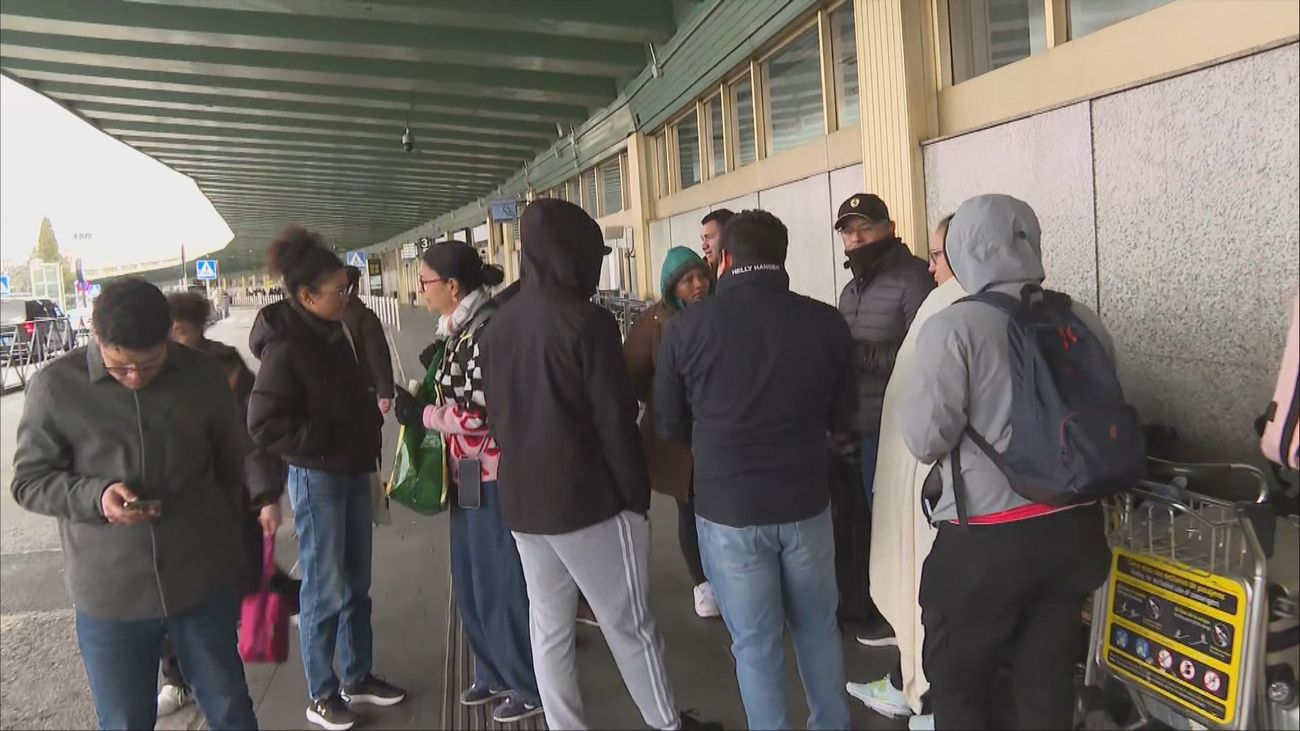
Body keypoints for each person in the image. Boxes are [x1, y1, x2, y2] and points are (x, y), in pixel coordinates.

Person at [479, 199, 717, 731]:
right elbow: (614, 421)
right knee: (630, 625)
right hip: (589, 503)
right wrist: (634, 500)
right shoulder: (587, 322)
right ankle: (666, 724)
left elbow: (497, 417)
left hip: (522, 503)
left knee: (550, 629)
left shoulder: (498, 325)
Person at [901, 195, 1113, 729]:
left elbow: (925, 439)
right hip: (1076, 532)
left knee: (961, 687)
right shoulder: (1081, 319)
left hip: (985, 546)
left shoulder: (954, 328)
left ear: (963, 249)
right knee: (1044, 687)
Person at [11, 278, 259, 731]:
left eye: (149, 364)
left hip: (199, 582)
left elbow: (229, 466)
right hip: (111, 595)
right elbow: (29, 481)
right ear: (96, 336)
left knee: (230, 709)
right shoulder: (55, 388)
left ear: (168, 334)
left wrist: (225, 545)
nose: (135, 377)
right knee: (125, 721)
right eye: (120, 366)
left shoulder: (202, 375)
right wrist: (97, 497)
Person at [656, 210, 857, 731]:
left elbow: (668, 420)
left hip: (728, 511)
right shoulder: (825, 321)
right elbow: (843, 417)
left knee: (755, 643)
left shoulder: (687, 327)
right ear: (782, 257)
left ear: (724, 259)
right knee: (818, 628)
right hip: (806, 503)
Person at [247, 226, 405, 731]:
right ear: (306, 295)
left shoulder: (332, 328)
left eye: (348, 288)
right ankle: (322, 692)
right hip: (319, 479)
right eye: (339, 291)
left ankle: (357, 675)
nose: (348, 297)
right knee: (324, 587)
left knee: (357, 580)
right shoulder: (287, 347)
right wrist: (327, 437)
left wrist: (364, 421)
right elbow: (264, 423)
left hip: (354, 469)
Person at [391, 241, 543, 724]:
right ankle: (493, 668)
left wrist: (426, 415)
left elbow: (485, 412)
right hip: (467, 473)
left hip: (493, 474)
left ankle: (526, 680)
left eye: (425, 281)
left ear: (452, 286)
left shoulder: (487, 330)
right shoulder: (458, 331)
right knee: (472, 580)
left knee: (501, 580)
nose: (420, 290)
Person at [846, 215, 964, 731]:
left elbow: (930, 417)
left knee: (926, 578)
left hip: (944, 483)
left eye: (939, 255)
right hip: (1021, 503)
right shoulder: (1040, 307)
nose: (933, 265)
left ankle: (922, 692)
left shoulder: (944, 304)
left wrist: (862, 355)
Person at [156, 292, 285, 718]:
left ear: (199, 328)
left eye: (182, 328)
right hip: (172, 511)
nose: (174, 337)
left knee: (237, 578)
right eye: (168, 329)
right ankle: (176, 678)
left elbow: (252, 435)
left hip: (230, 499)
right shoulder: (149, 371)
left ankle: (239, 640)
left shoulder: (225, 366)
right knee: (169, 597)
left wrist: (266, 495)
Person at [832, 193, 934, 646]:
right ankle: (861, 607)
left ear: (889, 228)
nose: (856, 239)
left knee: (889, 527)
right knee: (853, 523)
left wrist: (860, 355)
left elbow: (926, 353)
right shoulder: (850, 289)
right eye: (848, 231)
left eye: (865, 229)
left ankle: (902, 622)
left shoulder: (912, 278)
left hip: (889, 430)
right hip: (850, 425)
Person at [623, 246, 717, 619]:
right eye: (686, 280)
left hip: (715, 429)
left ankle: (723, 576)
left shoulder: (719, 315)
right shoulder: (653, 323)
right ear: (670, 287)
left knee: (718, 510)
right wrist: (662, 399)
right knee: (689, 506)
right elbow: (632, 375)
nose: (697, 286)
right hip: (676, 437)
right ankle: (702, 583)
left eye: (701, 277)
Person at [343, 266, 395, 415]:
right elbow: (378, 354)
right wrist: (385, 392)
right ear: (355, 288)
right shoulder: (365, 317)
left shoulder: (328, 317)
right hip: (364, 389)